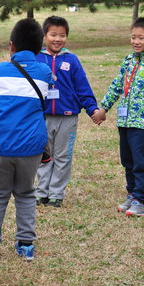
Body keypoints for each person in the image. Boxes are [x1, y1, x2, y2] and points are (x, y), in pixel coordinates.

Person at [0, 18, 52, 264]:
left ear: (11, 45)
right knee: (26, 194)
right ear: (40, 47)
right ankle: (26, 244)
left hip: (1, 143)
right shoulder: (44, 72)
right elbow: (46, 97)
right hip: (31, 146)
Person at [91, 17, 144, 217]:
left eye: (141, 38)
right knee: (127, 160)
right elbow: (117, 85)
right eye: (133, 37)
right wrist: (104, 108)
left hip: (143, 122)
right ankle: (131, 193)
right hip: (125, 120)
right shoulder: (128, 60)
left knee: (140, 161)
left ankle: (140, 199)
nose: (136, 42)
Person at [35, 16, 103, 208]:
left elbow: (83, 87)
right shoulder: (37, 58)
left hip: (68, 117)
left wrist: (92, 109)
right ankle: (41, 192)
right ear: (44, 36)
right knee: (43, 155)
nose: (58, 39)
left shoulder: (71, 60)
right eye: (53, 35)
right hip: (42, 117)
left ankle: (56, 193)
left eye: (62, 35)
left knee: (62, 156)